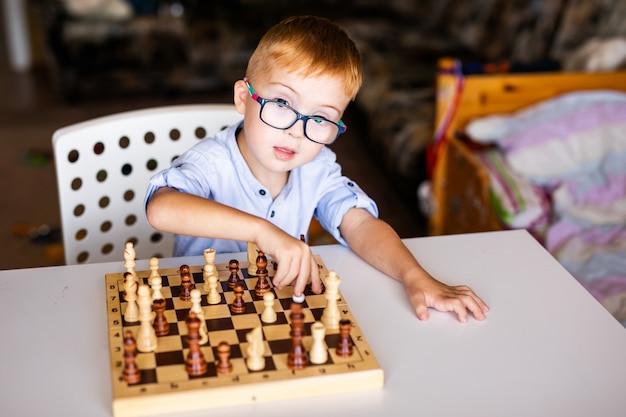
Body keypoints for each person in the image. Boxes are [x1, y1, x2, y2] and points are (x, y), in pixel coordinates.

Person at [145, 15, 489, 322]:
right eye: (282, 103)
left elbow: (360, 224)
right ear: (242, 97)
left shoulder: (317, 166)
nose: (297, 130)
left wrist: (415, 276)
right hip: (197, 312)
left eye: (320, 118)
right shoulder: (211, 162)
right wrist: (263, 232)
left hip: (275, 307)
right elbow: (161, 209)